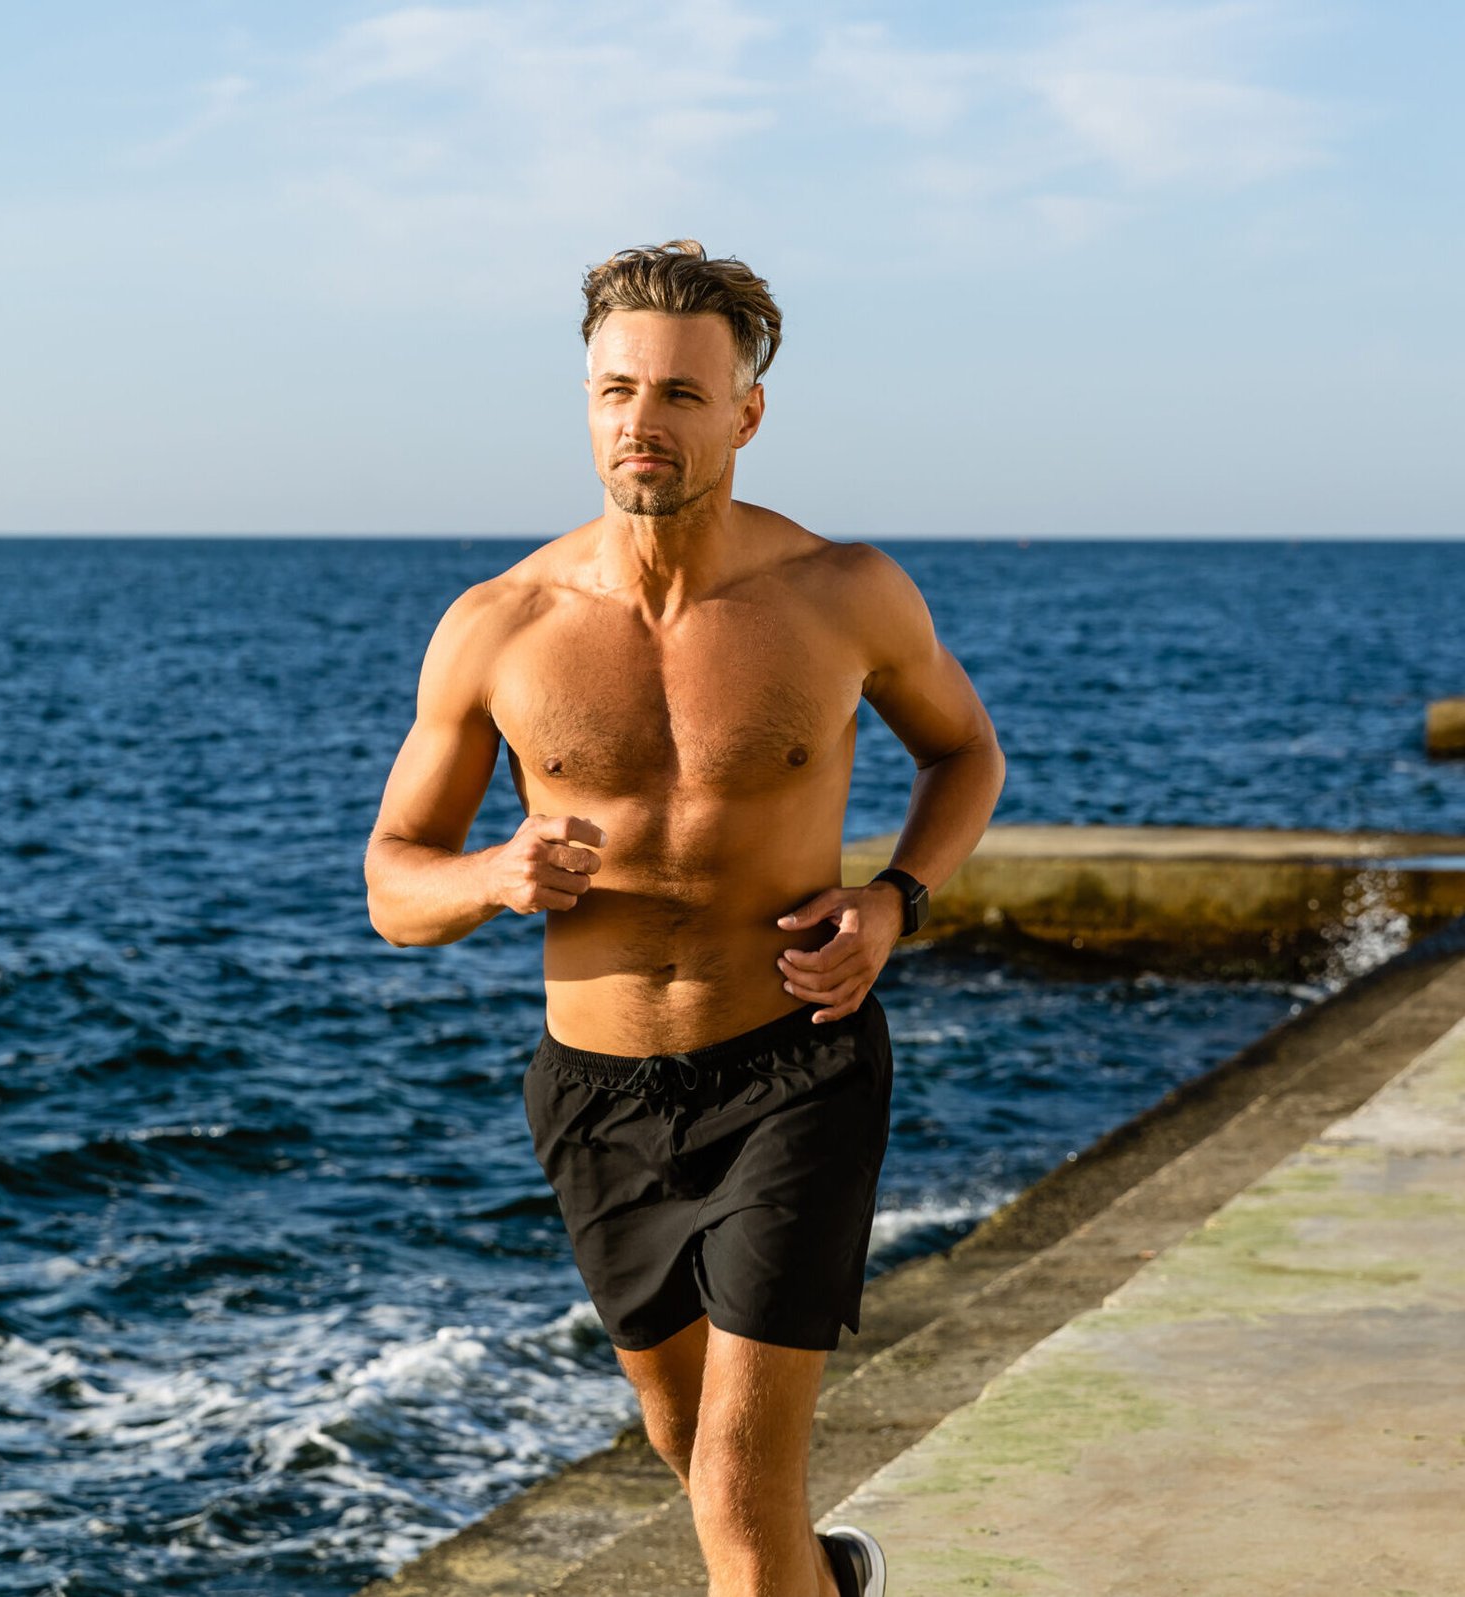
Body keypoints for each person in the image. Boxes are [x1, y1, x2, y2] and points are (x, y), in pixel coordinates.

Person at [364, 239, 1005, 1597]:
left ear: (746, 414)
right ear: (586, 401)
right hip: (596, 1094)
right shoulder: (498, 625)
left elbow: (965, 751)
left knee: (733, 1493)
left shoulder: (842, 593)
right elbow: (393, 884)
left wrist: (895, 900)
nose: (641, 421)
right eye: (617, 391)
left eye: (680, 394)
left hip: (796, 1066)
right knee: (682, 1440)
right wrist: (493, 874)